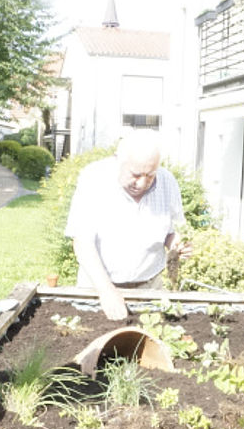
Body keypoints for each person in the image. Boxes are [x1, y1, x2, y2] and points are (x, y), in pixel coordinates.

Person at [65, 129, 188, 320]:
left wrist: (176, 245)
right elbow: (82, 242)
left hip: (149, 290)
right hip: (98, 289)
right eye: (136, 174)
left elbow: (172, 232)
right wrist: (106, 290)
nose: (142, 183)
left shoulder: (168, 182)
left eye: (150, 175)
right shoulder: (93, 178)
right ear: (118, 160)